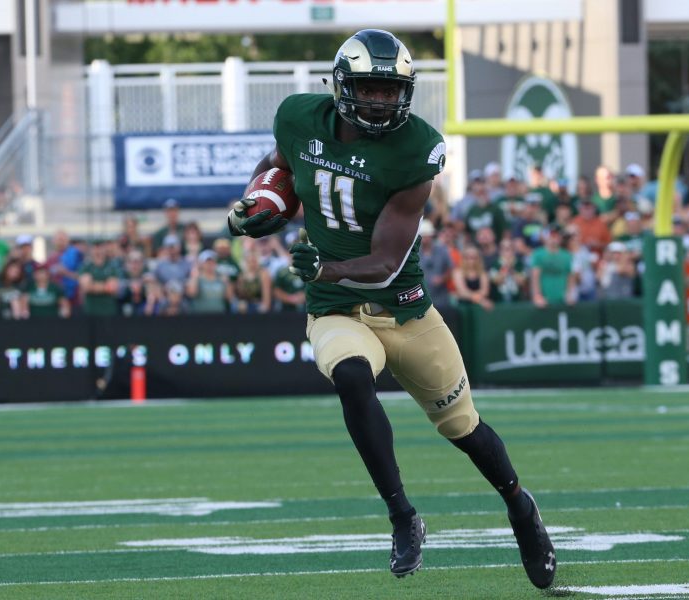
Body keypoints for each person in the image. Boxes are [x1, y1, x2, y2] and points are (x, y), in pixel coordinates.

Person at [225, 29, 555, 588]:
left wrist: (322, 267)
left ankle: (521, 508)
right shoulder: (300, 117)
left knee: (463, 427)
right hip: (336, 309)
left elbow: (382, 261)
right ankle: (403, 515)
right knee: (353, 377)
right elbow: (280, 162)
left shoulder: (415, 149)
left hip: (403, 308)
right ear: (341, 86)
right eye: (369, 88)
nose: (380, 99)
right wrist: (260, 199)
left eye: (390, 89)